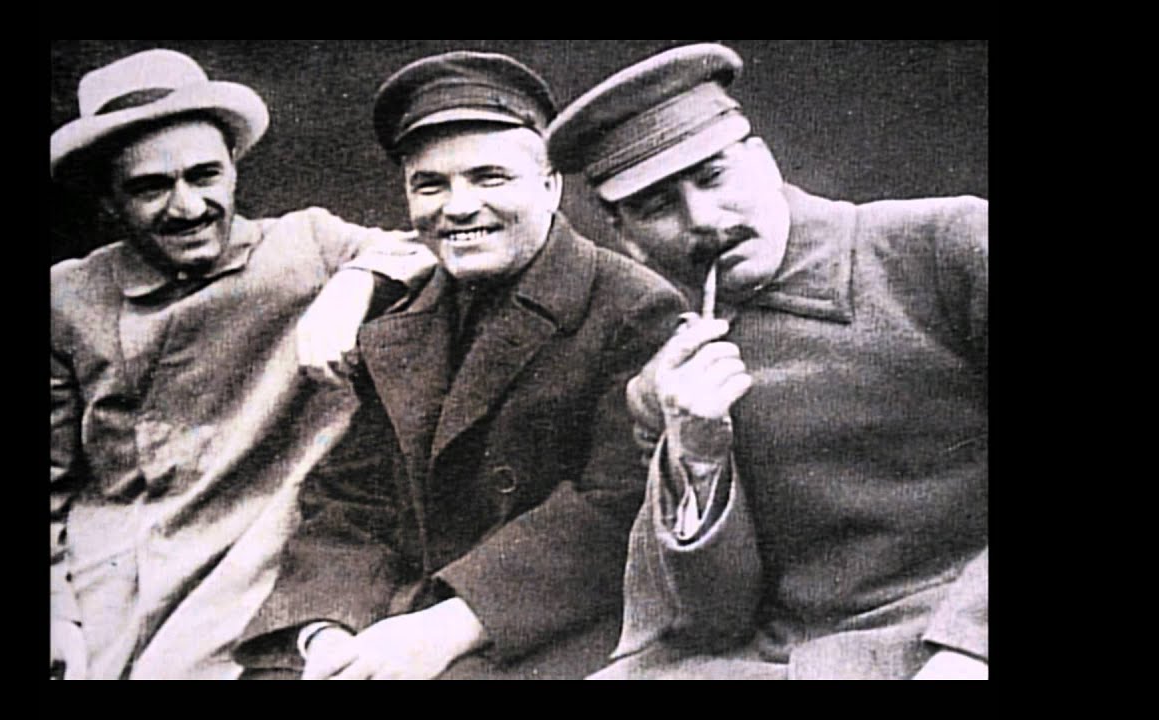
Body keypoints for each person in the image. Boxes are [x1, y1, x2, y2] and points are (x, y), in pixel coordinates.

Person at [234, 51, 685, 680]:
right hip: (398, 616)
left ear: (550, 186)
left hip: (541, 624)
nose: (458, 207)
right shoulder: (401, 313)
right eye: (430, 185)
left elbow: (619, 512)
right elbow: (350, 501)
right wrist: (325, 631)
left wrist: (446, 628)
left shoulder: (633, 308)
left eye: (490, 178)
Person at [545, 43, 988, 680]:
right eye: (657, 206)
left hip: (949, 635)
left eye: (713, 176)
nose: (703, 219)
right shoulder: (669, 380)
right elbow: (714, 621)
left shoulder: (947, 245)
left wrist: (970, 648)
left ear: (762, 160)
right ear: (626, 239)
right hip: (789, 660)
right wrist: (699, 456)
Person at [50, 49, 437, 679]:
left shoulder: (304, 245)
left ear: (233, 167)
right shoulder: (68, 296)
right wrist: (56, 613)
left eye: (205, 175)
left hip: (255, 552)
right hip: (112, 571)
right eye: (150, 187)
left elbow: (428, 249)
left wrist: (354, 281)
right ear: (108, 201)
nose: (187, 207)